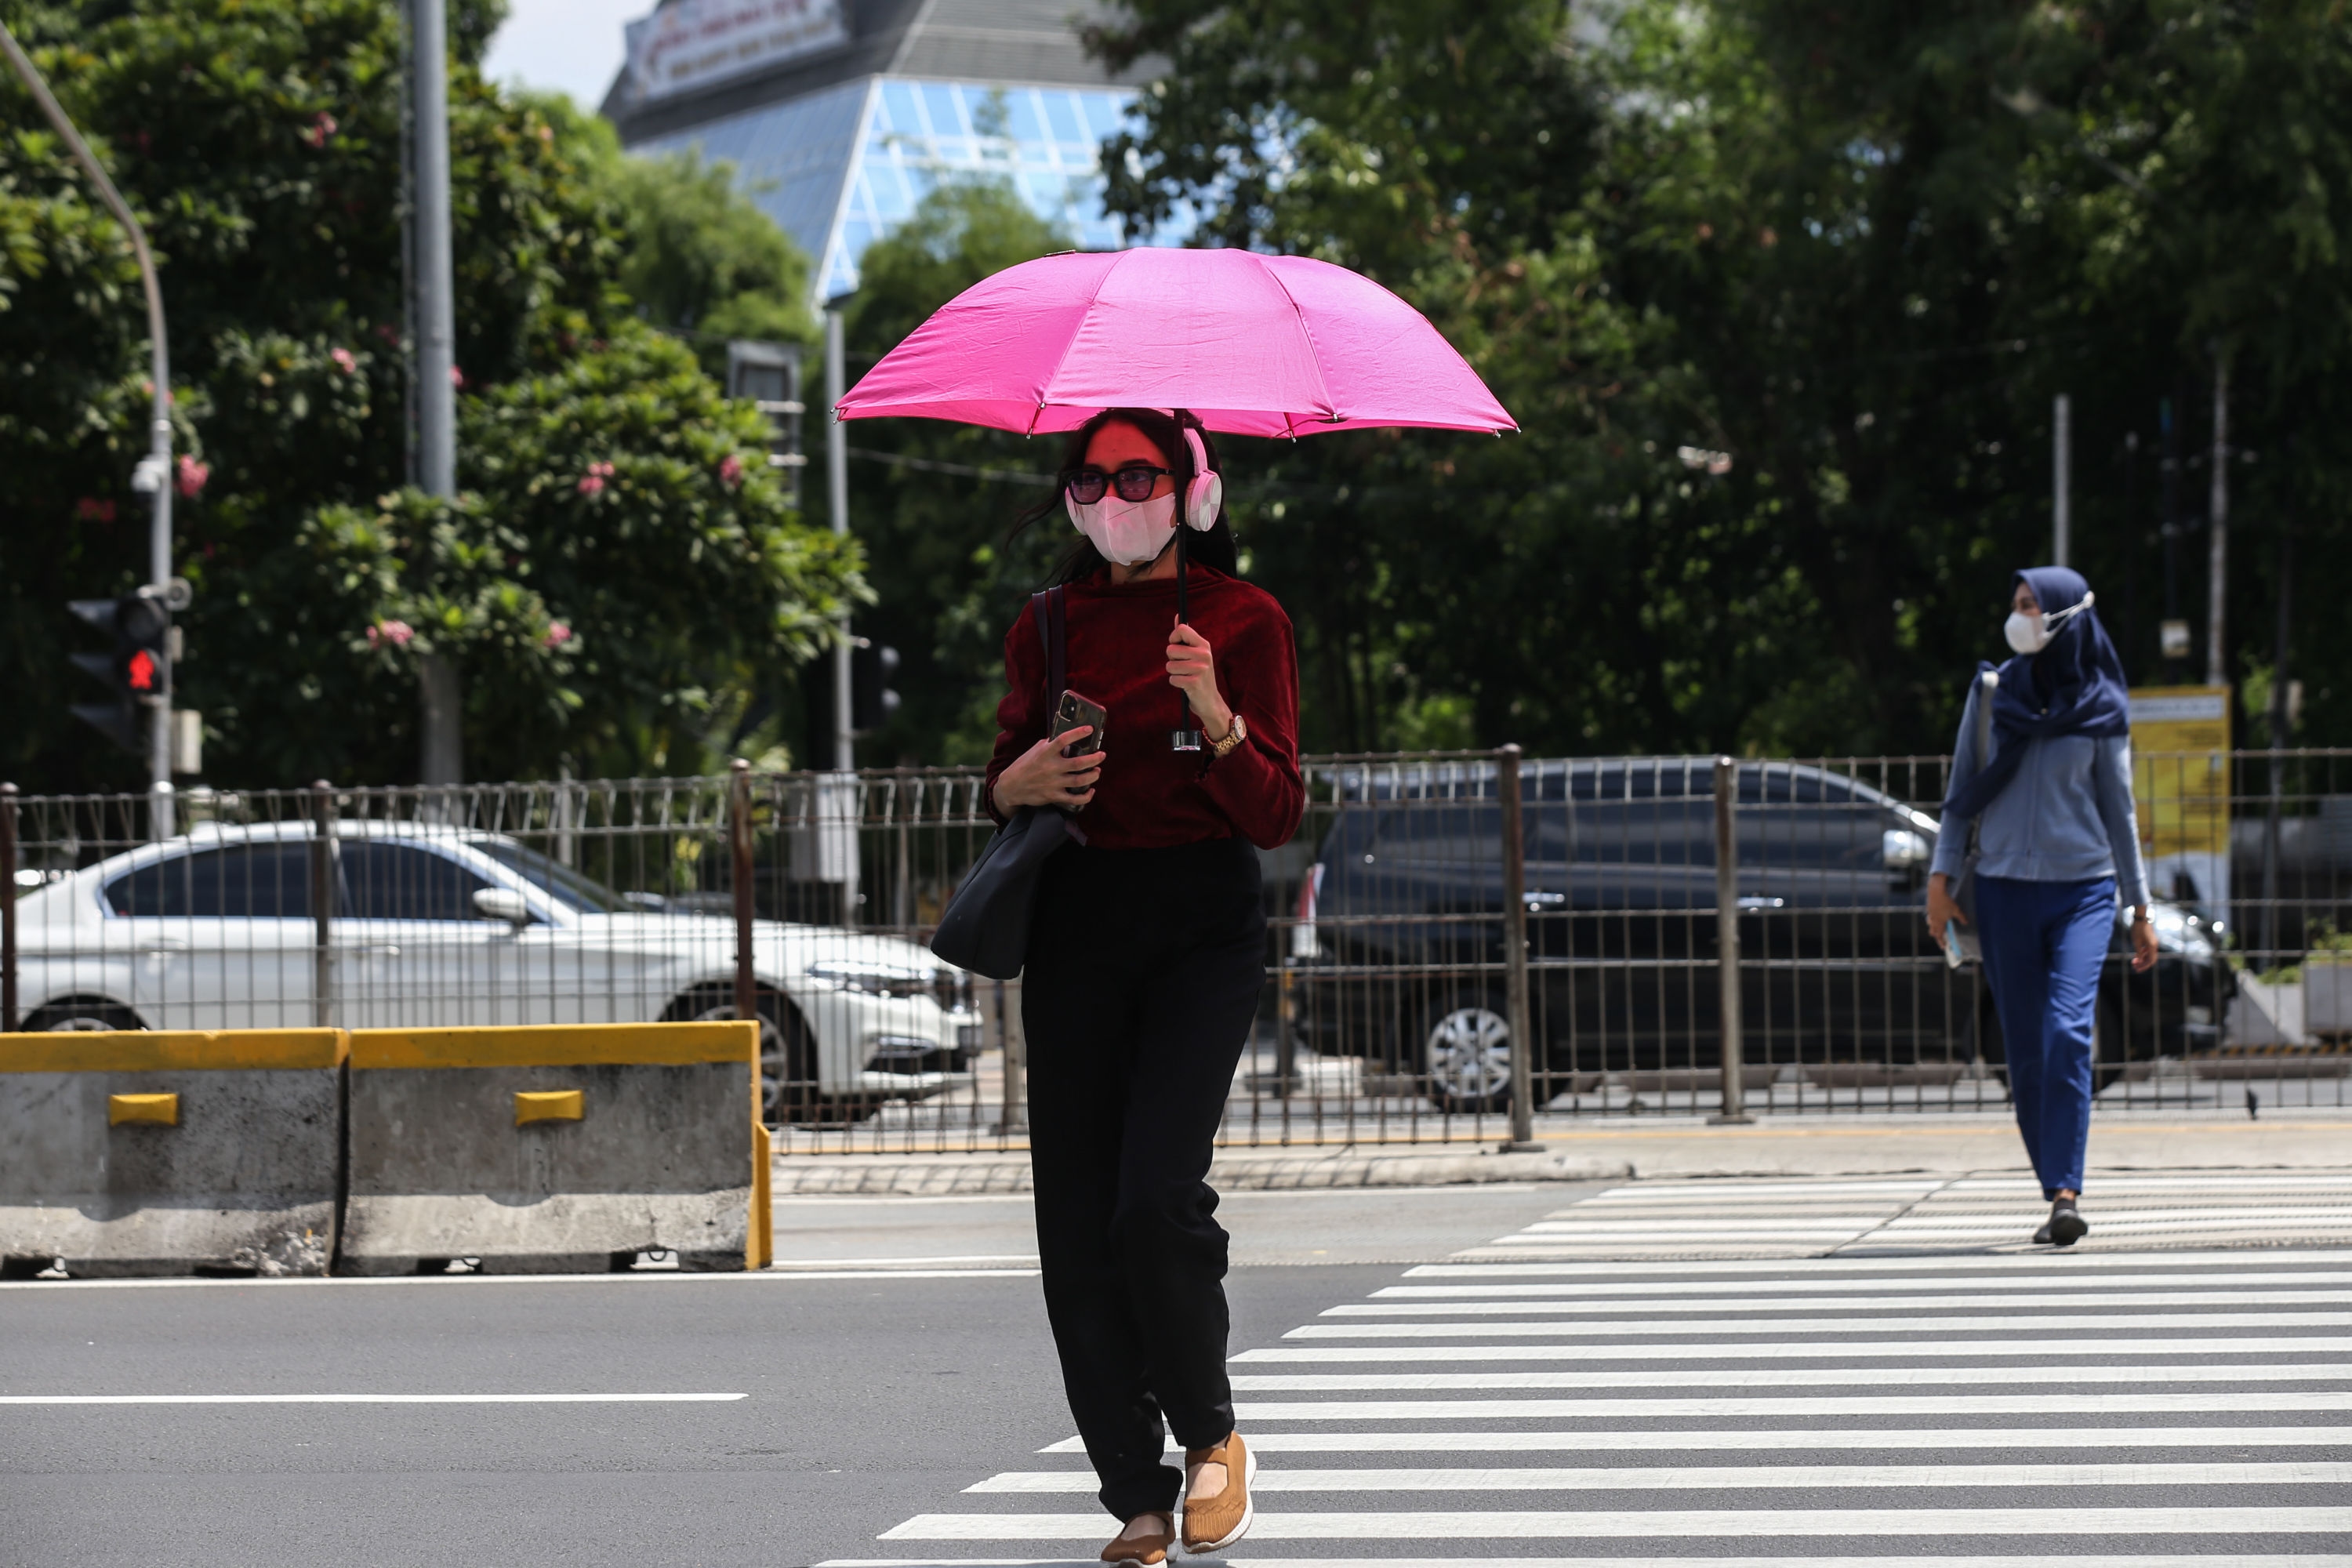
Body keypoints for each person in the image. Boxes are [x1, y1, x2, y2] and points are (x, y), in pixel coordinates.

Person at [985, 407, 1303, 1563]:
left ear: (1192, 491)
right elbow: (1006, 776)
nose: (1115, 494)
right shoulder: (1049, 625)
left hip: (1202, 933)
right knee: (1074, 1232)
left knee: (1152, 1198)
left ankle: (1214, 1432)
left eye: (1140, 474)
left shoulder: (1245, 619)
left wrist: (1213, 709)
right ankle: (1138, 1495)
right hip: (1079, 931)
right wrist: (1016, 777)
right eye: (1093, 475)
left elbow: (1274, 811)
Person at [1926, 565, 2157, 1247]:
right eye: (2016, 604)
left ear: (2064, 616)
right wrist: (1941, 878)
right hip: (2001, 890)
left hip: (2083, 890)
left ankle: (2067, 1188)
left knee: (2066, 1031)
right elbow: (1962, 785)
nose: (2020, 615)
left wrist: (2138, 907)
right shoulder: (1994, 692)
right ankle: (2052, 1187)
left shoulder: (2102, 707)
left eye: (2033, 606)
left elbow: (2121, 813)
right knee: (2024, 1051)